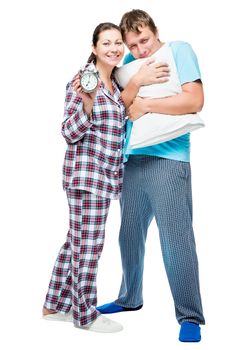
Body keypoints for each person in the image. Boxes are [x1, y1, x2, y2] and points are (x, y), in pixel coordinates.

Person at [96, 9, 206, 342]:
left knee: (176, 241)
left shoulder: (179, 50)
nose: (141, 50)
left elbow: (195, 100)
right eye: (133, 44)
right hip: (131, 160)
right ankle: (130, 297)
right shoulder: (129, 63)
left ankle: (190, 316)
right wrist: (138, 87)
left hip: (169, 160)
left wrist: (146, 105)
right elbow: (119, 109)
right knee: (128, 235)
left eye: (144, 40)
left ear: (155, 31)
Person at [42, 22, 127, 333]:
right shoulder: (83, 82)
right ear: (94, 48)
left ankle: (54, 305)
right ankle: (85, 314)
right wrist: (88, 106)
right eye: (106, 43)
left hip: (106, 176)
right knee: (90, 245)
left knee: (76, 241)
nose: (114, 48)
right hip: (87, 175)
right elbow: (68, 131)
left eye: (118, 42)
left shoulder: (116, 84)